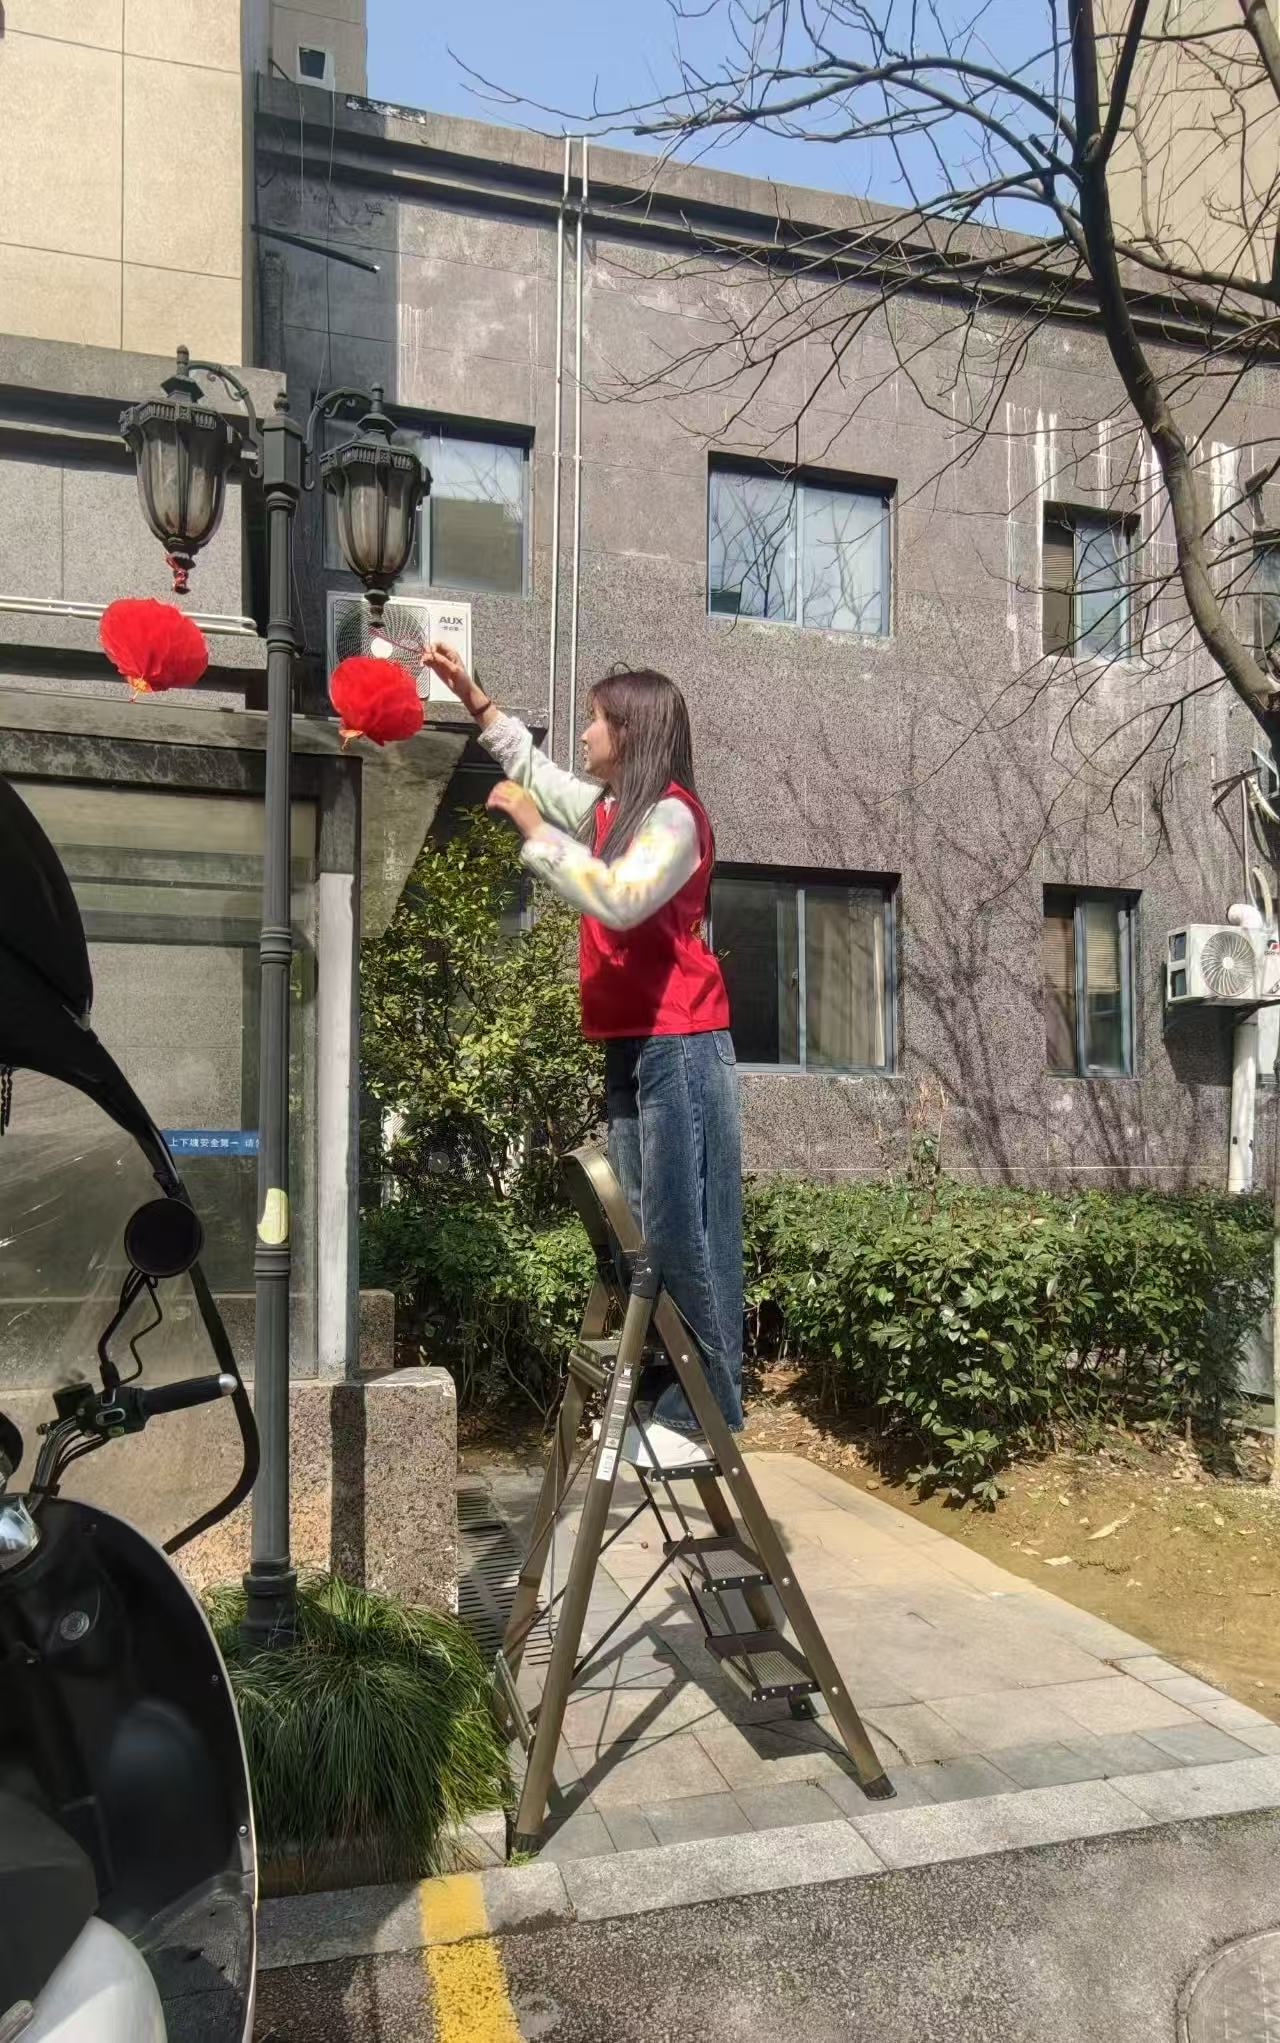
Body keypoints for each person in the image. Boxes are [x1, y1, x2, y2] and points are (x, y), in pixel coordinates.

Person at [422, 642, 744, 1471]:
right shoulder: (612, 811)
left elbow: (622, 900)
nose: (587, 733)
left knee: (680, 1229)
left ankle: (704, 1411)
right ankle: (665, 1398)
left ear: (633, 732)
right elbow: (535, 769)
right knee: (640, 1229)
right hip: (633, 1043)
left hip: (681, 1042)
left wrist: (536, 835)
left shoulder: (673, 818)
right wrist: (474, 698)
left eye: (598, 719)